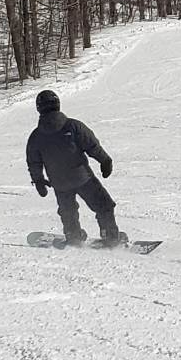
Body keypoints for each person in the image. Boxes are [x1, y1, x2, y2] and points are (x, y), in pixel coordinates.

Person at [26, 89, 127, 247]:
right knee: (104, 205)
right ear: (57, 104)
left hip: (59, 182)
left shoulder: (36, 136)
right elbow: (92, 145)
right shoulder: (72, 126)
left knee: (68, 210)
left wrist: (38, 181)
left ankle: (73, 235)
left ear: (39, 108)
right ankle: (110, 235)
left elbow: (34, 162)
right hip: (82, 177)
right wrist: (104, 160)